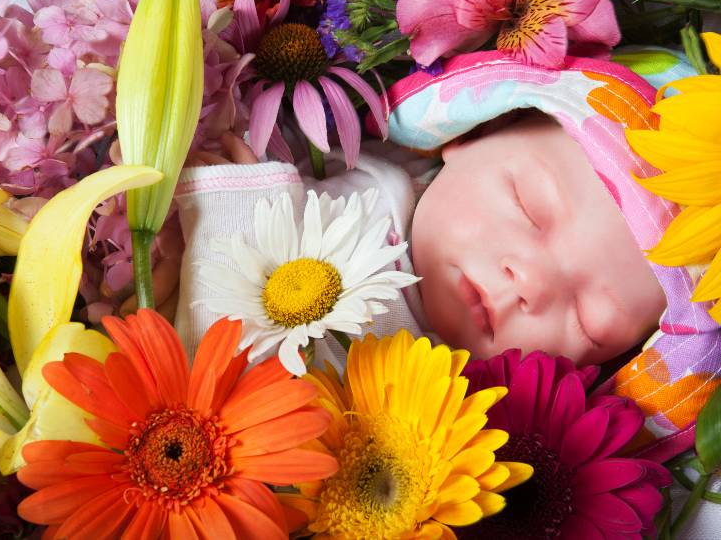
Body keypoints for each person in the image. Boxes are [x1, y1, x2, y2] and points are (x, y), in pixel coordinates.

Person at [175, 49, 721, 461]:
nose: (529, 281)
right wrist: (236, 195)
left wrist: (233, 212)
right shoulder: (352, 166)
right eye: (528, 207)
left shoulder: (460, 424)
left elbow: (212, 398)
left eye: (591, 321)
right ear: (473, 132)